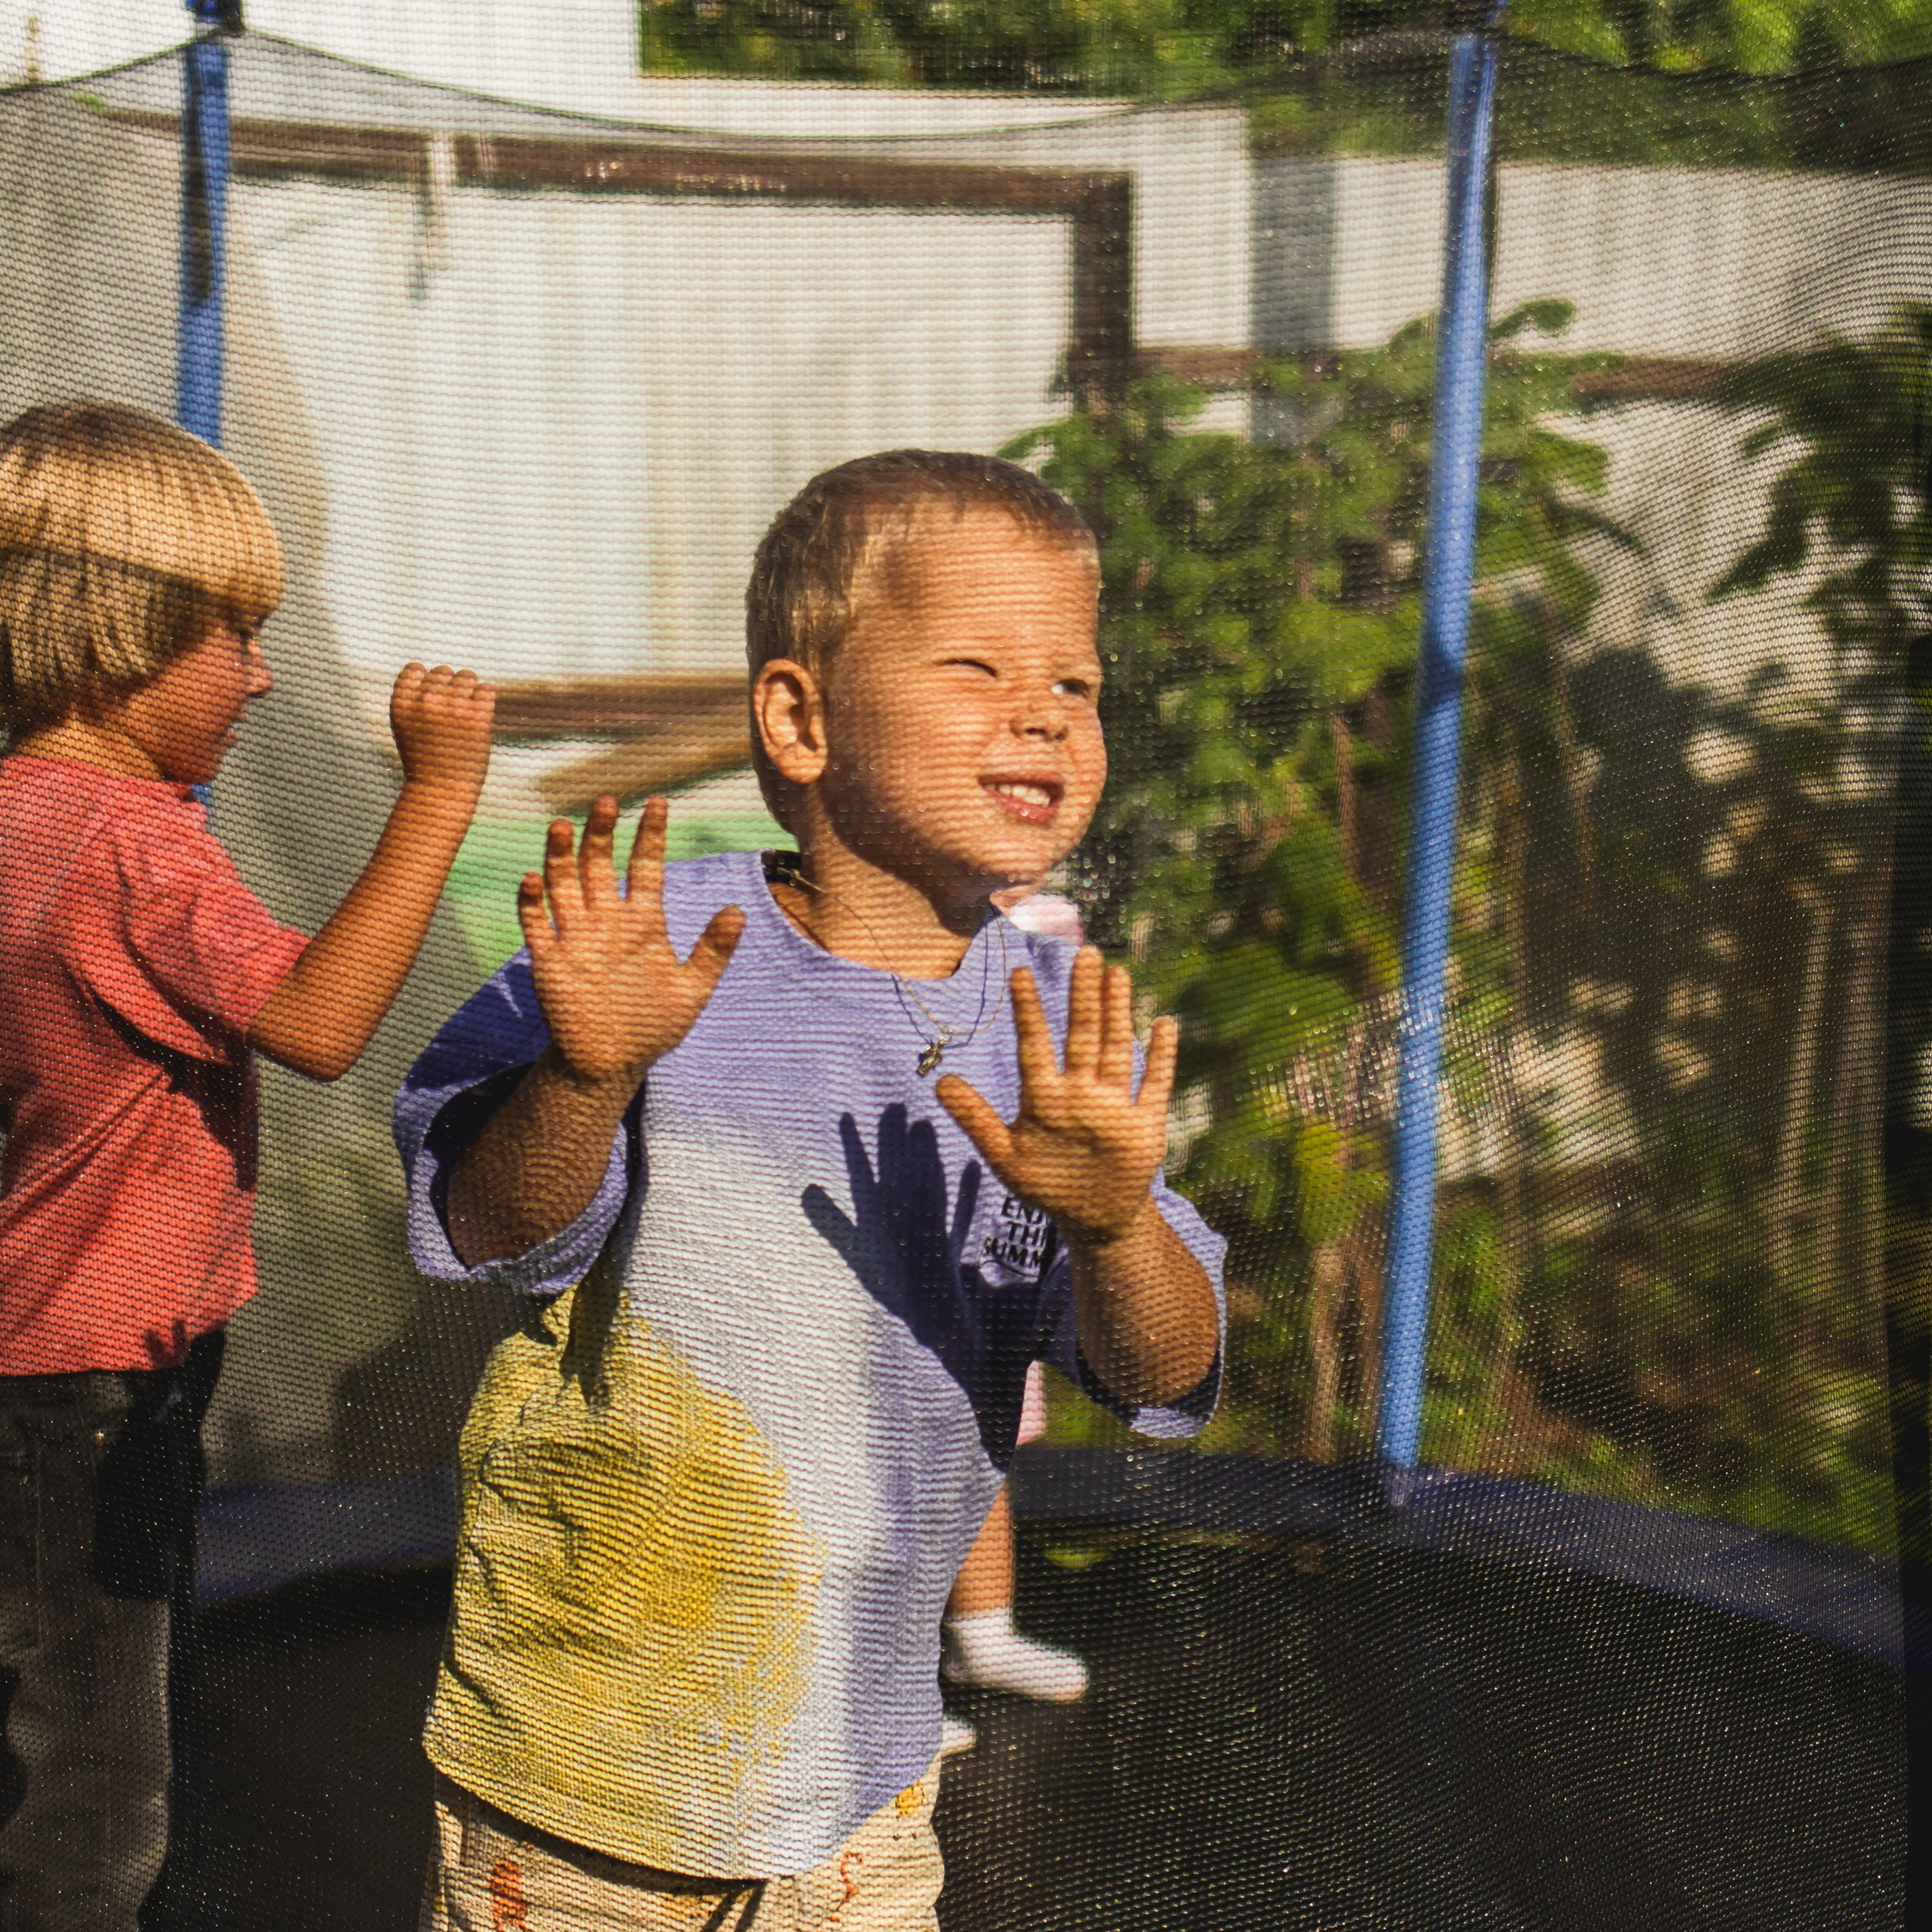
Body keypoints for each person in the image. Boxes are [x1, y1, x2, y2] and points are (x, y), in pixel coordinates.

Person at [395, 448, 1225, 1932]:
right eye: (978, 665)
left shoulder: (1057, 1028)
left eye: (1077, 686)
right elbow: (486, 1234)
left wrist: (1117, 1220)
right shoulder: (656, 949)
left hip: (862, 1801)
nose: (1043, 709)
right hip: (583, 1784)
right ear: (799, 714)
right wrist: (583, 1077)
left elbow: (1164, 1369)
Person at [0, 400, 495, 1931]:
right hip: (98, 1375)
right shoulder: (134, 844)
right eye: (231, 633)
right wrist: (436, 794)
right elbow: (321, 1019)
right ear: (109, 636)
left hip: (31, 1342)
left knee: (37, 1695)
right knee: (97, 1771)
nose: (264, 674)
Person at [937, 889, 1091, 1759]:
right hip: (900, 1235)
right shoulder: (889, 912)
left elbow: (1068, 1050)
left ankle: (982, 1632)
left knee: (984, 1444)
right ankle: (868, 1687)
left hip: (997, 1241)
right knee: (883, 1476)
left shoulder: (1047, 921)